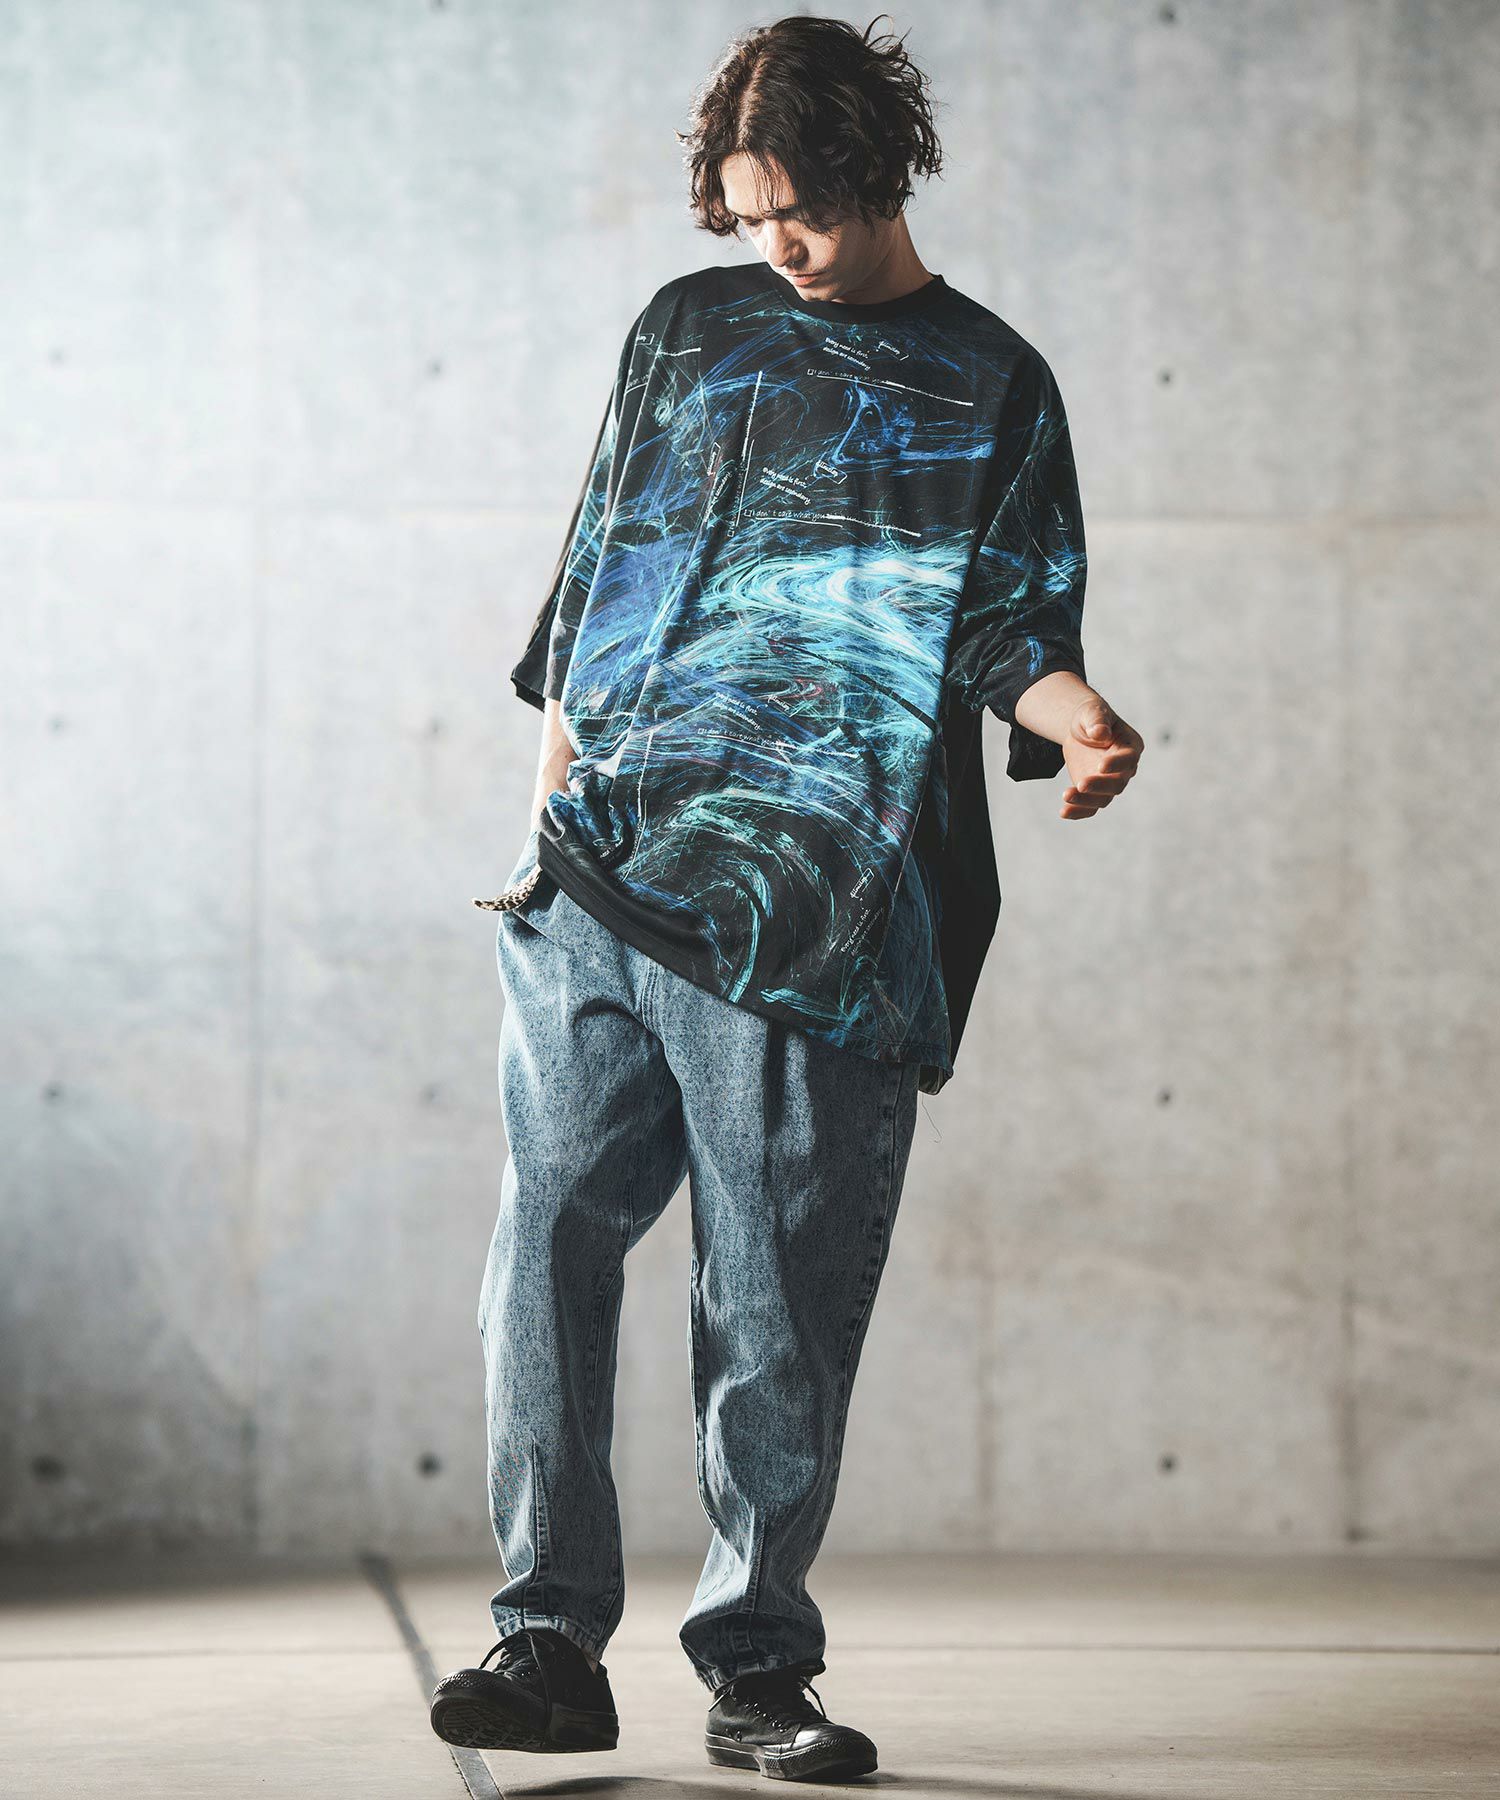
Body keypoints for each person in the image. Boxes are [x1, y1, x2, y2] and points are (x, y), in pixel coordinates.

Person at [430, 12, 1143, 1782]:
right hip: (603, 874)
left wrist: (1078, 717)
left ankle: (757, 1669)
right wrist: (537, 833)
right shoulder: (687, 329)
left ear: (879, 174)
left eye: (802, 213)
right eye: (748, 219)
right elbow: (598, 581)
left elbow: (1010, 623)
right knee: (545, 1252)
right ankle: (546, 1643)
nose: (780, 249)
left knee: (772, 1309)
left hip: (817, 919)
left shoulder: (990, 381)